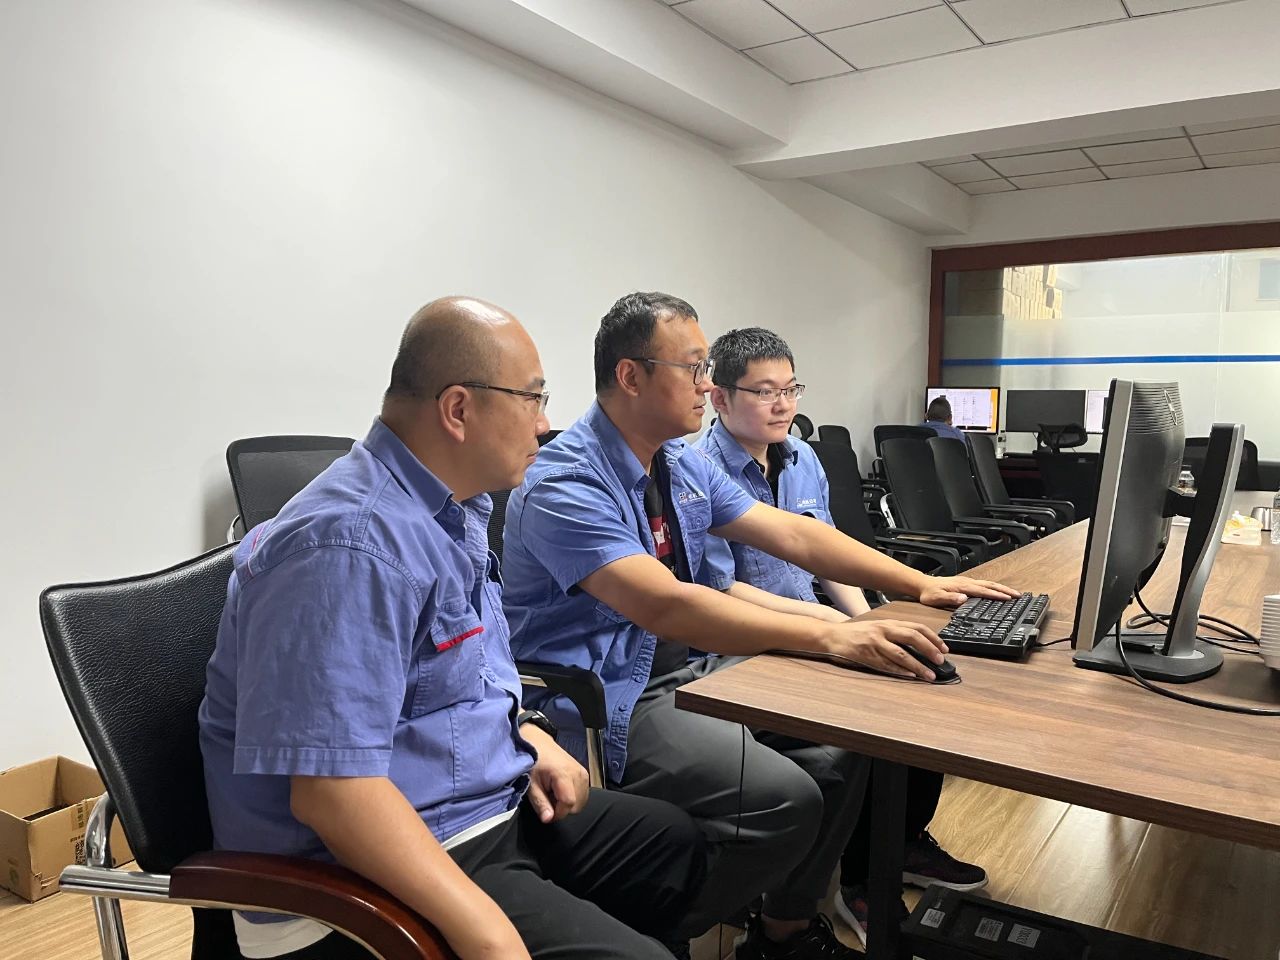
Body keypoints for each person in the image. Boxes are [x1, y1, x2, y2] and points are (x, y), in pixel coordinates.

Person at [501, 291, 1019, 960]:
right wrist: (831, 634)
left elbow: (793, 535)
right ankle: (641, 928)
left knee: (848, 743)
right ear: (630, 376)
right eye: (693, 367)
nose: (706, 383)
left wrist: (916, 583)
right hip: (609, 696)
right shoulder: (565, 482)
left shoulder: (677, 461)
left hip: (692, 664)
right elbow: (665, 606)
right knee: (784, 801)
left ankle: (781, 934)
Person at [198, 297, 707, 960]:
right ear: (458, 409)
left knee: (674, 848)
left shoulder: (451, 510)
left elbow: (443, 681)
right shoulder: (349, 545)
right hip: (356, 875)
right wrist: (485, 933)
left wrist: (523, 733)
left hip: (467, 809)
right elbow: (332, 796)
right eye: (533, 398)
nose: (545, 423)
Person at [697, 327, 988, 948]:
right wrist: (840, 628)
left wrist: (864, 616)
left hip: (815, 623)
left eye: (791, 389)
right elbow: (722, 591)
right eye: (765, 392)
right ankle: (855, 881)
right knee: (862, 723)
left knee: (921, 674)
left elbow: (823, 556)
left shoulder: (802, 458)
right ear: (719, 398)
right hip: (750, 641)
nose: (783, 404)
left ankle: (897, 846)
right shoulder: (698, 471)